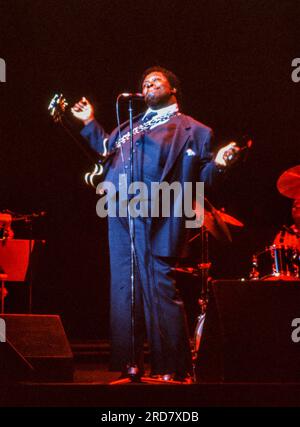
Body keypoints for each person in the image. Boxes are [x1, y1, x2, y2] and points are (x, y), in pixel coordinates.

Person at [71, 66, 236, 382]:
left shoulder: (194, 130)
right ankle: (129, 364)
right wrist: (90, 123)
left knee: (158, 285)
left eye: (156, 81)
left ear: (173, 89)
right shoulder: (130, 127)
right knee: (124, 286)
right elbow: (106, 149)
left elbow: (204, 180)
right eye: (144, 83)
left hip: (159, 210)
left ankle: (173, 368)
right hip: (119, 209)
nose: (148, 85)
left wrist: (219, 164)